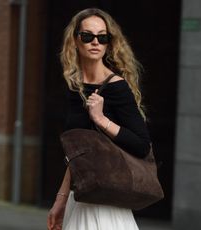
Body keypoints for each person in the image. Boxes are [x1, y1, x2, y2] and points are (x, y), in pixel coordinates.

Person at [47, 7, 151, 230]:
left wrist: (101, 120)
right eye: (88, 36)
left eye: (102, 37)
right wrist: (61, 199)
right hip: (81, 196)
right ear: (75, 40)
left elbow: (142, 144)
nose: (96, 42)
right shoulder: (75, 87)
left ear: (109, 43)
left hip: (106, 202)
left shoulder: (117, 88)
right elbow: (78, 152)